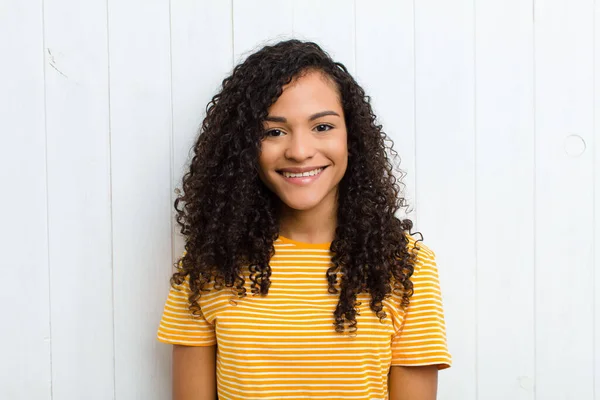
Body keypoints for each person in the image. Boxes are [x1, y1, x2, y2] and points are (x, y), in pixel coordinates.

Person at [157, 39, 452, 400]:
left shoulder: (406, 267)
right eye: (274, 131)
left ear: (351, 138)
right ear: (245, 146)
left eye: (322, 127)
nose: (299, 151)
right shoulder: (210, 264)